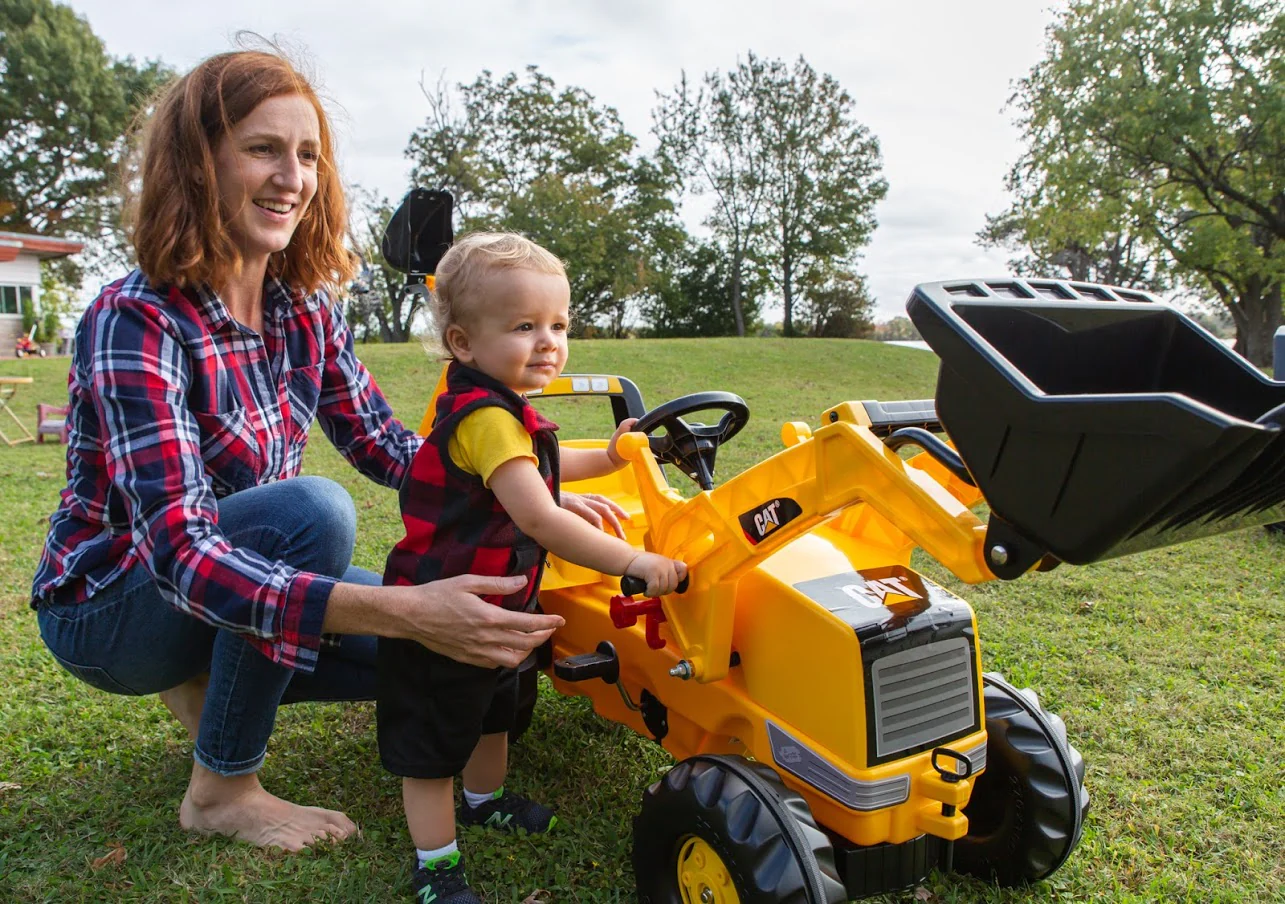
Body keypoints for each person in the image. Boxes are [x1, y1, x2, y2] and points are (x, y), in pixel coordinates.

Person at [27, 49, 628, 855]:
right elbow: (181, 553)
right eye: (262, 149)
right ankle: (222, 789)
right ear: (199, 163)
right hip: (112, 606)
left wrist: (532, 484)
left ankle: (210, 673)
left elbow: (395, 452)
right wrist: (406, 606)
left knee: (435, 655)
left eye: (307, 155)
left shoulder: (302, 308)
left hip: (228, 575)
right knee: (312, 513)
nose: (292, 178)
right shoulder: (135, 318)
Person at [378, 232, 687, 903]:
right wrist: (634, 562)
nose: (548, 342)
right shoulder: (484, 419)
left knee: (495, 714)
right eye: (524, 326)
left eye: (558, 324)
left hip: (500, 611)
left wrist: (606, 458)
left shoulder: (509, 414)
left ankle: (483, 799)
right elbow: (540, 518)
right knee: (431, 748)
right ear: (463, 343)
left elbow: (537, 466)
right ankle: (434, 865)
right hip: (443, 613)